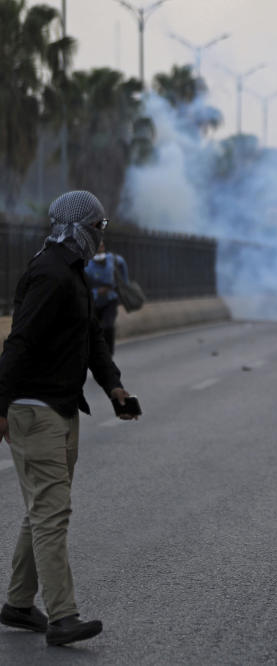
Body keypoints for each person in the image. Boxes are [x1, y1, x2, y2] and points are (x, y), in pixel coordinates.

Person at [0, 191, 137, 646]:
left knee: (42, 510)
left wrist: (113, 386)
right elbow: (18, 344)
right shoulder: (49, 274)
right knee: (51, 514)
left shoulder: (71, 271)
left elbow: (92, 336)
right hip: (34, 411)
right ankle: (63, 617)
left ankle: (19, 604)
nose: (101, 237)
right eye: (97, 228)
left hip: (60, 406)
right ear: (80, 228)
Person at [84, 241, 129, 356]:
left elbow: (122, 263)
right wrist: (96, 291)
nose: (100, 248)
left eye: (102, 246)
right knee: (95, 330)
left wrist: (124, 284)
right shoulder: (88, 265)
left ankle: (109, 354)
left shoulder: (111, 259)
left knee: (108, 326)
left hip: (110, 299)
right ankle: (98, 353)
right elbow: (84, 284)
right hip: (95, 302)